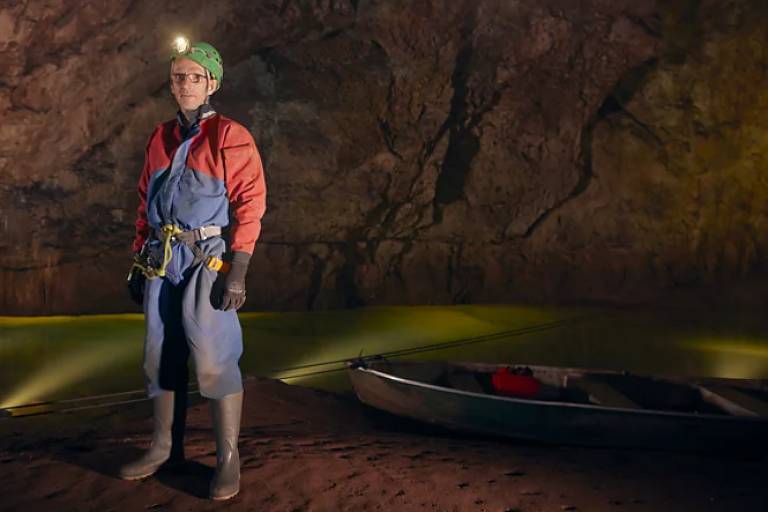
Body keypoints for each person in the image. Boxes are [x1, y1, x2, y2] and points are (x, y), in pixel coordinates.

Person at [121, 37, 266, 501]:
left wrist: (237, 268)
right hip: (162, 260)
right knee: (158, 355)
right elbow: (146, 201)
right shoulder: (160, 137)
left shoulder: (230, 136)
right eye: (178, 76)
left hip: (208, 258)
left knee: (212, 355)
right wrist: (138, 258)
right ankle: (164, 447)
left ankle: (228, 459)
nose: (185, 84)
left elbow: (250, 203)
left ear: (212, 83)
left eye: (194, 77)